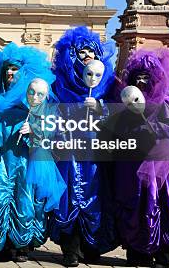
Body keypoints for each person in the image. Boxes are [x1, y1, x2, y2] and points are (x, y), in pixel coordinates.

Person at [111, 48, 169, 268]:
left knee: (164, 207)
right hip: (132, 169)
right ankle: (137, 250)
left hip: (164, 173)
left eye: (146, 78)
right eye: (137, 79)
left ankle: (163, 254)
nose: (141, 83)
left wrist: (156, 132)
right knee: (135, 207)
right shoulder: (126, 108)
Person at [0, 43, 65, 262]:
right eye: (8, 68)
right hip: (2, 159)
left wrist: (35, 128)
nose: (11, 72)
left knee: (26, 197)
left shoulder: (36, 98)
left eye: (15, 68)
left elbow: (52, 126)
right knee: (2, 195)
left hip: (27, 159)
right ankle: (2, 244)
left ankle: (22, 245)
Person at [47, 26, 117, 267]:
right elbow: (50, 112)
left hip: (95, 153)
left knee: (95, 197)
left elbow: (120, 116)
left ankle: (92, 245)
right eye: (82, 51)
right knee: (68, 197)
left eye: (91, 51)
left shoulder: (107, 83)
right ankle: (70, 249)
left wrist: (100, 109)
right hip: (68, 150)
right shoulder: (60, 83)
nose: (87, 56)